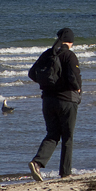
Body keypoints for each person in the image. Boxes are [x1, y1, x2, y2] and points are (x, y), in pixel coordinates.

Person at [28, 28, 82, 181]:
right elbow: (74, 78)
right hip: (67, 101)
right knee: (67, 137)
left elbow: (32, 74)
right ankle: (65, 172)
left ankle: (37, 163)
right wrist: (78, 89)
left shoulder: (47, 54)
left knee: (52, 134)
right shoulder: (69, 56)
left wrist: (48, 84)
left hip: (48, 100)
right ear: (71, 42)